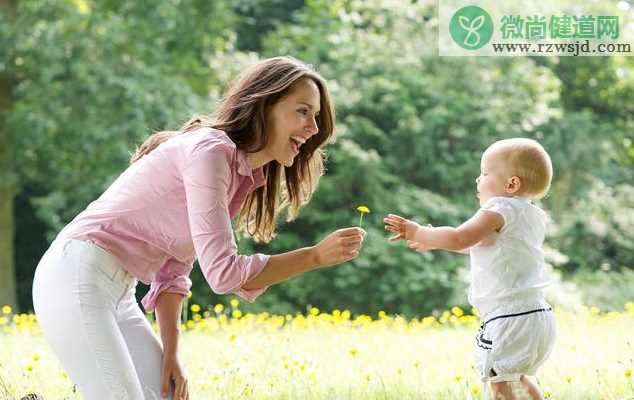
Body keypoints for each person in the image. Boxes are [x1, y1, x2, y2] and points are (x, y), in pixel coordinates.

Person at [32, 56, 366, 400]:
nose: (313, 128)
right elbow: (223, 273)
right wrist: (313, 257)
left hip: (117, 293)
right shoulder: (210, 152)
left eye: (315, 117)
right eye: (303, 111)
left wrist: (171, 355)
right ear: (265, 105)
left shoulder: (240, 176)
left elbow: (174, 269)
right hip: (76, 274)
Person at [384, 138, 556, 400]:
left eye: (485, 173)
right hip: (537, 316)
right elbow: (478, 245)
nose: (478, 179)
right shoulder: (531, 215)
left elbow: (459, 238)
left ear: (511, 184)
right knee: (516, 379)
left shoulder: (499, 207)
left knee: (500, 384)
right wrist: (432, 241)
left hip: (509, 317)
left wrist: (417, 231)